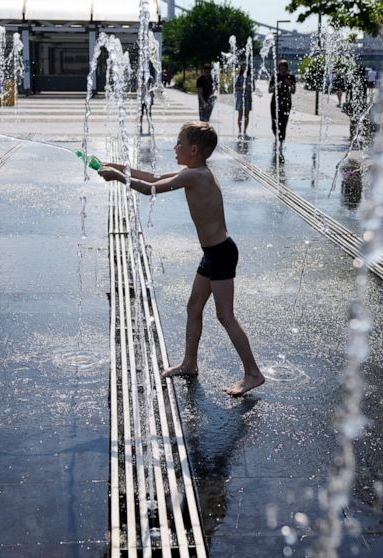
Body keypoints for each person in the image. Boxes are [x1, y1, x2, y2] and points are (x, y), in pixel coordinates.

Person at [97, 121, 265, 396]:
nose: (175, 147)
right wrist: (116, 166)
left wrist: (118, 178)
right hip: (213, 253)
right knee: (194, 306)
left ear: (194, 149)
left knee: (225, 315)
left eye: (179, 144)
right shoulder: (193, 171)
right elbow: (152, 176)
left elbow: (150, 189)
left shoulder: (196, 176)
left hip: (221, 253)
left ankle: (253, 373)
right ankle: (189, 363)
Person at [269, 59, 297, 148]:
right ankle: (276, 136)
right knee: (274, 123)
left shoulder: (291, 77)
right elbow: (269, 90)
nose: (282, 69)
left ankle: (281, 141)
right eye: (281, 67)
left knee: (283, 123)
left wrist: (289, 84)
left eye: (284, 67)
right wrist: (277, 85)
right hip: (275, 102)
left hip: (286, 103)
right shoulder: (275, 76)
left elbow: (293, 91)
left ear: (287, 68)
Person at [234, 63, 253, 138]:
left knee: (246, 115)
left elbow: (253, 88)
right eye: (243, 67)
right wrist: (242, 88)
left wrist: (249, 89)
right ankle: (239, 130)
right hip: (240, 98)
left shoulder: (250, 77)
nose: (244, 68)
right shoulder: (239, 77)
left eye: (246, 67)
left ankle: (245, 130)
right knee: (240, 115)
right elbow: (236, 87)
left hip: (248, 98)